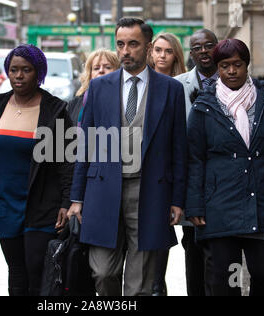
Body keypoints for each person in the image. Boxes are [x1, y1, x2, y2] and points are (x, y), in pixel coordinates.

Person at [68, 18, 187, 296]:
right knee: (103, 271)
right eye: (120, 44)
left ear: (147, 47)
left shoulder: (170, 89)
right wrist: (77, 197)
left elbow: (179, 147)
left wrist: (178, 199)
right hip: (103, 190)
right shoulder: (100, 87)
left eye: (133, 44)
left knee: (140, 285)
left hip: (150, 191)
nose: (125, 51)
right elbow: (85, 144)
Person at [186, 39, 264, 296]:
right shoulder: (204, 107)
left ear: (247, 65)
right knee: (228, 282)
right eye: (225, 66)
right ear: (218, 68)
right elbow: (194, 159)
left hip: (263, 204)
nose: (231, 71)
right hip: (221, 210)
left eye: (237, 65)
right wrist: (194, 204)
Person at [0, 44, 74, 296]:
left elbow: (66, 162)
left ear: (38, 73)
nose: (18, 76)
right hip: (4, 204)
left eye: (26, 70)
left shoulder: (55, 109)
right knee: (16, 269)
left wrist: (66, 201)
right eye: (13, 70)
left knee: (37, 267)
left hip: (41, 204)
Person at [174, 29, 219, 296]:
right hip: (191, 181)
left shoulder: (232, 82)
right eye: (197, 48)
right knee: (192, 248)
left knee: (221, 253)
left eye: (209, 46)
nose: (203, 51)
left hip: (223, 182)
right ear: (191, 54)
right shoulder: (177, 86)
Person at [149, 32, 187, 296]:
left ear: (176, 55)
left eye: (168, 51)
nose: (162, 56)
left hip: (172, 173)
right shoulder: (141, 83)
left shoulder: (182, 85)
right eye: (158, 50)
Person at [67, 49, 120, 125]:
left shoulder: (124, 101)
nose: (101, 70)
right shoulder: (75, 103)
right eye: (96, 68)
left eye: (107, 67)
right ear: (90, 74)